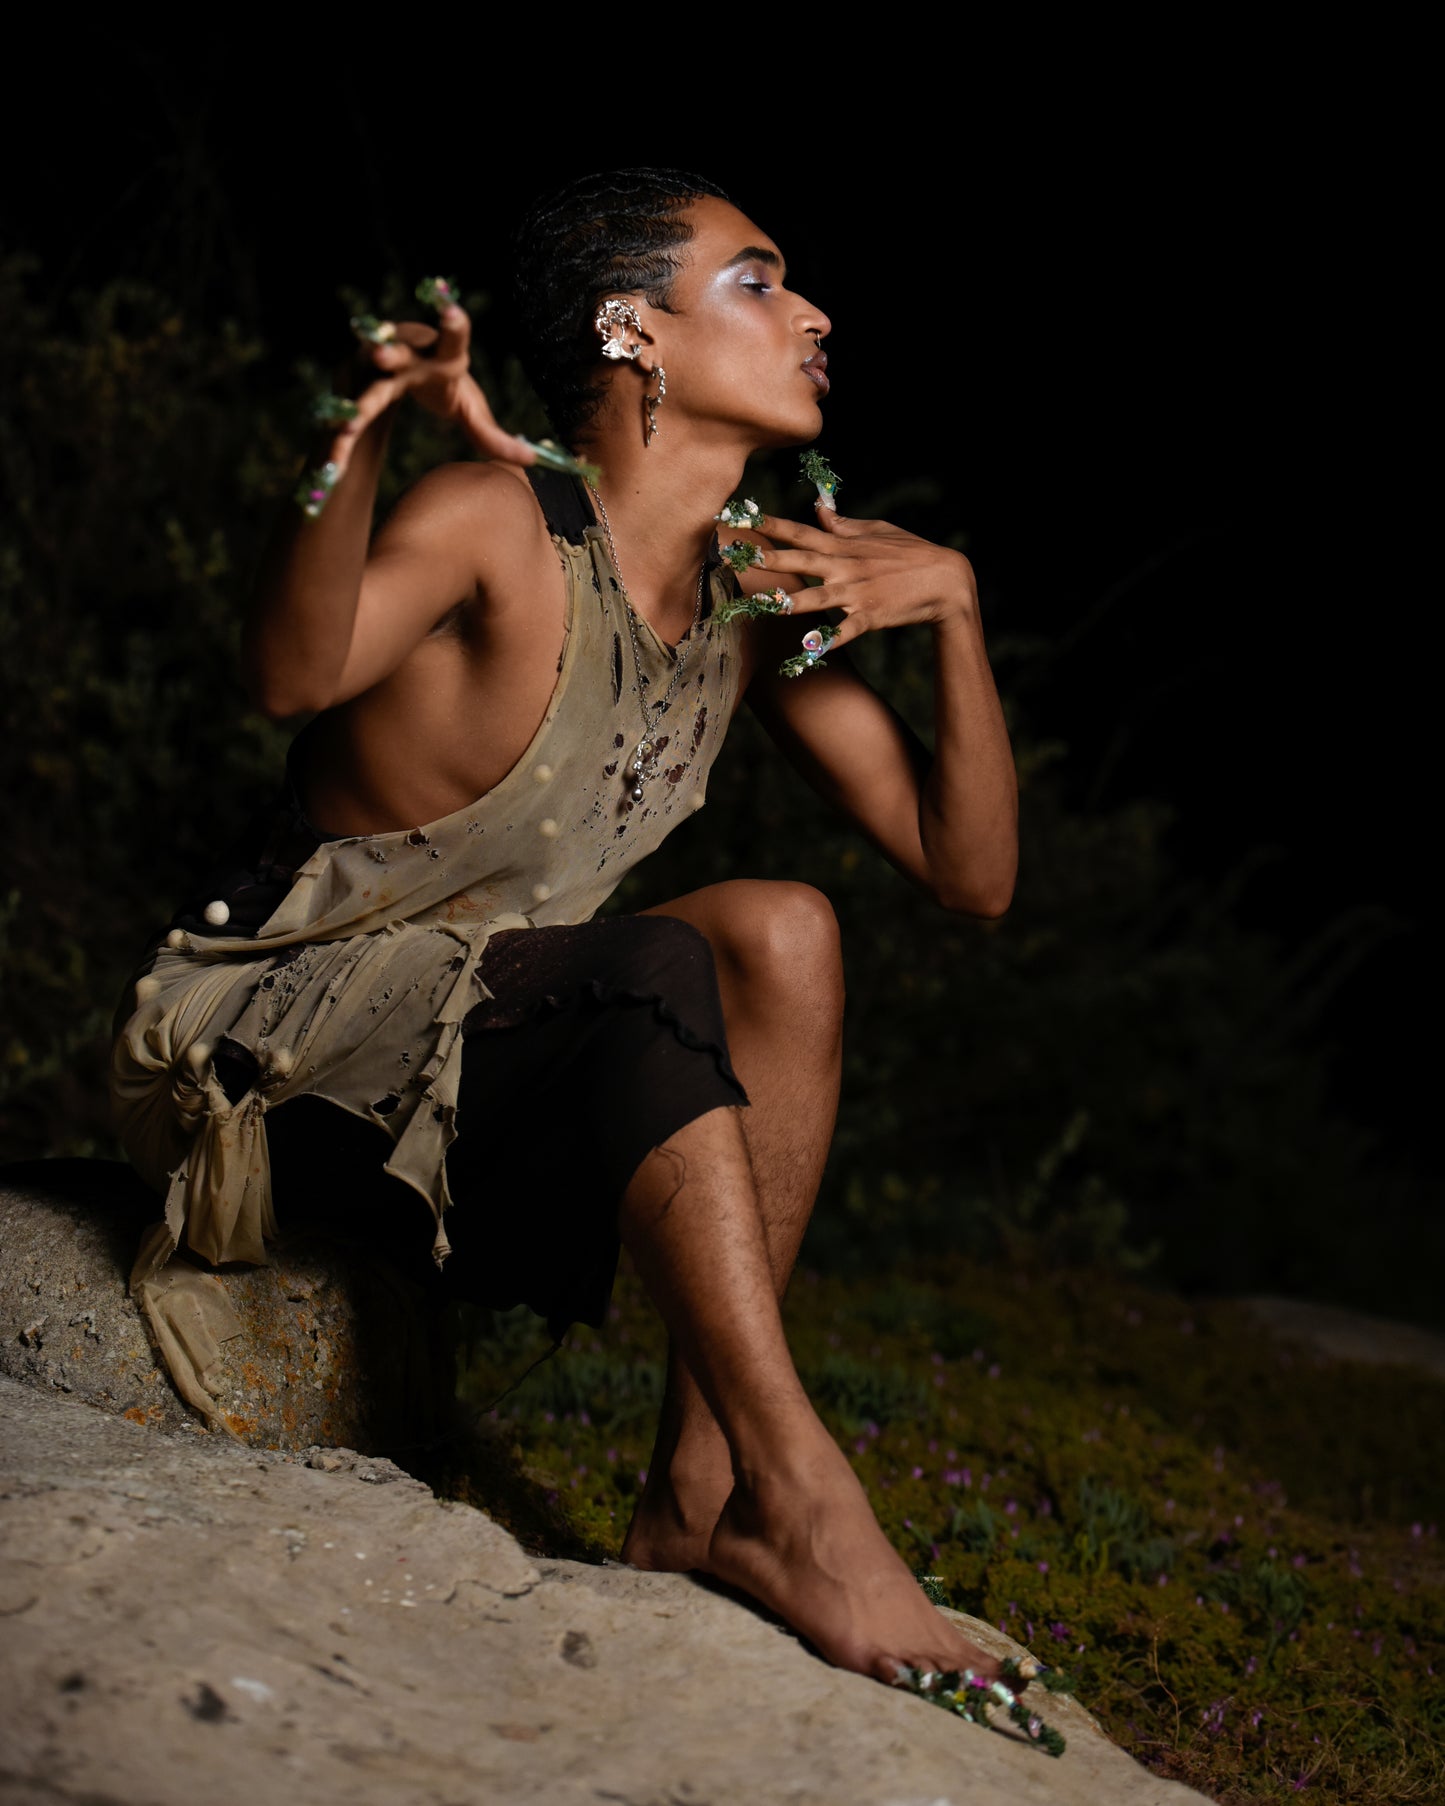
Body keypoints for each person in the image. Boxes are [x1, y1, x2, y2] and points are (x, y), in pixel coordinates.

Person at [110, 168, 1020, 1690]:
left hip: (483, 1090)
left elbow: (969, 874)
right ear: (632, 330)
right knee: (662, 957)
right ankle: (810, 1494)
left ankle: (700, 1494)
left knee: (787, 929)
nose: (813, 312)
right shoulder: (494, 519)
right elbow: (289, 674)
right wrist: (367, 430)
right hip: (267, 1074)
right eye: (757, 278)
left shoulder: (743, 592)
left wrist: (961, 612)